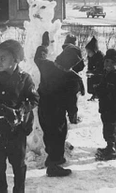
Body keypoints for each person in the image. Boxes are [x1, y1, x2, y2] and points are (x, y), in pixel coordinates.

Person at [0, 39, 39, 193]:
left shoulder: (25, 78)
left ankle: (19, 190)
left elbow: (34, 99)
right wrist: (3, 110)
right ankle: (0, 188)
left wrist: (21, 110)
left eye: (3, 58)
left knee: (18, 164)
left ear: (15, 59)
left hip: (16, 131)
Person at [35, 43, 82, 177]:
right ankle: (54, 165)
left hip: (43, 108)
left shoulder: (46, 65)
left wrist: (43, 46)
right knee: (58, 137)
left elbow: (38, 58)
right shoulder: (71, 79)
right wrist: (73, 115)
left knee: (48, 135)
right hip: (57, 113)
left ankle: (53, 159)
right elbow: (71, 101)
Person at [94, 49, 116, 161]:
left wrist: (113, 97)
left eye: (112, 63)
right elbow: (103, 87)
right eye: (106, 62)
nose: (108, 65)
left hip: (113, 109)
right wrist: (98, 89)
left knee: (110, 130)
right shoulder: (108, 74)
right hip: (106, 108)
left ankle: (111, 151)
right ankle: (112, 147)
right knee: (112, 129)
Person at [62, 34, 85, 124]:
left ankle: (64, 116)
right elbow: (81, 65)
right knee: (72, 101)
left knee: (64, 99)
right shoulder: (75, 51)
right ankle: (73, 118)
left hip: (62, 80)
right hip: (73, 80)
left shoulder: (63, 51)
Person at [85, 36, 104, 101]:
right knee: (90, 78)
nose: (88, 54)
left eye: (89, 52)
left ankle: (97, 94)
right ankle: (93, 93)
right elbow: (90, 66)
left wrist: (93, 72)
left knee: (97, 79)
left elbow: (101, 68)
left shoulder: (100, 56)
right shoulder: (90, 57)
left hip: (101, 73)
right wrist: (89, 71)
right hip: (95, 72)